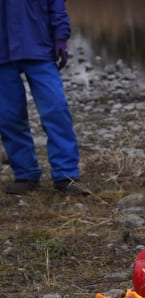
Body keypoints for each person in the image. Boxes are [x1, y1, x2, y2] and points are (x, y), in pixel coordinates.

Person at [0, 0, 88, 195]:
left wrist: (60, 38)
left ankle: (66, 175)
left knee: (56, 110)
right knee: (9, 117)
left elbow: (56, 6)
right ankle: (25, 175)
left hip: (39, 48)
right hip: (2, 54)